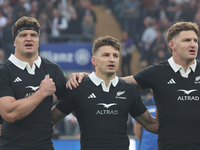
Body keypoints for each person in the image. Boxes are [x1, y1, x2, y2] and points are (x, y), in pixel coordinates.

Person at [66, 21, 200, 150]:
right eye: (187, 40)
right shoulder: (157, 72)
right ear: (172, 45)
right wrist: (88, 77)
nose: (193, 44)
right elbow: (118, 83)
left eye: (195, 40)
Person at [51, 36, 159, 150]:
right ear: (94, 60)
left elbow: (151, 124)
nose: (112, 59)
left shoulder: (129, 90)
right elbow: (50, 120)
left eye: (115, 55)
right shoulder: (78, 88)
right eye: (106, 55)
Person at [0, 16, 66, 150]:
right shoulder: (4, 71)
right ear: (14, 42)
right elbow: (10, 113)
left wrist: (50, 119)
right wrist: (42, 92)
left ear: (38, 40)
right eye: (23, 35)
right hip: (11, 146)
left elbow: (72, 99)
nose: (29, 38)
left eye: (33, 35)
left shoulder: (53, 69)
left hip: (44, 146)